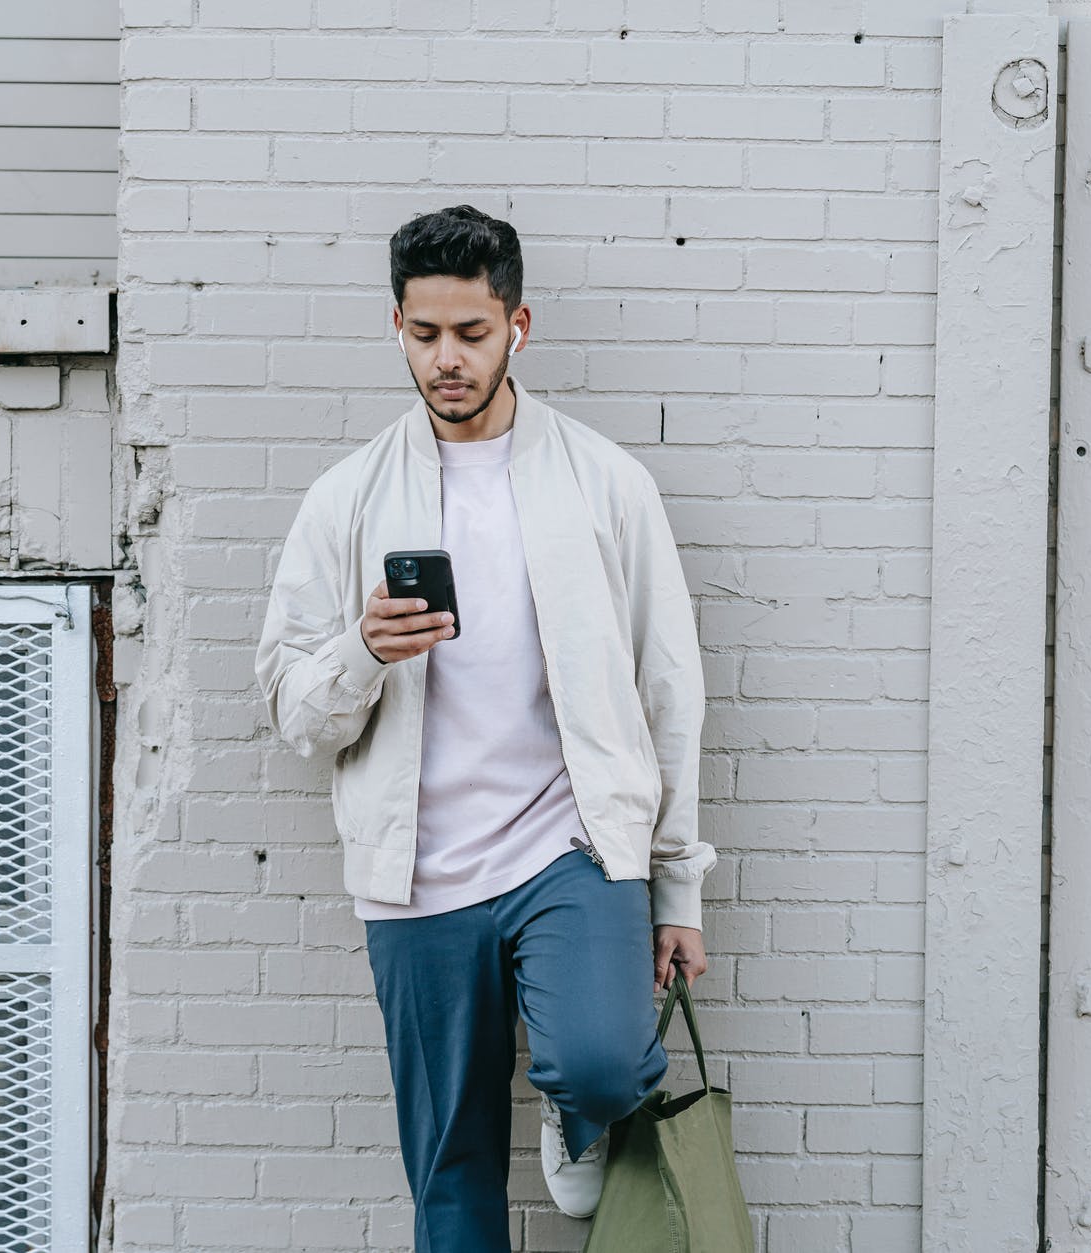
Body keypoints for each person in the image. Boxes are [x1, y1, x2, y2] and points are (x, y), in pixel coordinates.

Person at [253, 205, 716, 1250]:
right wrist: (363, 650)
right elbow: (289, 710)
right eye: (425, 335)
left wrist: (676, 884)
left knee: (601, 1056)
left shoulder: (604, 482)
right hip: (414, 873)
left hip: (570, 848)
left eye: (471, 332)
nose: (447, 358)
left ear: (518, 324)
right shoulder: (345, 499)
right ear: (396, 326)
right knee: (448, 1168)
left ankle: (575, 1108)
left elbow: (667, 688)